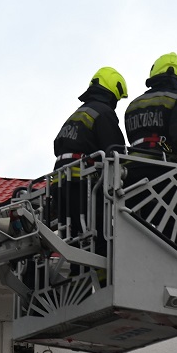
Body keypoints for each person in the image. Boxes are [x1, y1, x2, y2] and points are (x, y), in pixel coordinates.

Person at [51, 67, 128, 254]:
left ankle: (79, 268)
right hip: (82, 185)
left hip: (60, 184)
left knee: (75, 241)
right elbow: (116, 150)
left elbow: (57, 146)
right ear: (113, 92)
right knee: (99, 237)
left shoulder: (77, 114)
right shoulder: (103, 112)